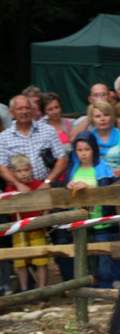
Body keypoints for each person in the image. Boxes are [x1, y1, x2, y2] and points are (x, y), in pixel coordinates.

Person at [66, 131, 118, 288]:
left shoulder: (102, 168)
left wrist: (88, 188)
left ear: (94, 149)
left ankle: (105, 286)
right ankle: (90, 287)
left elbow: (105, 192)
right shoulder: (74, 168)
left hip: (101, 221)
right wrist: (68, 186)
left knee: (104, 256)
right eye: (79, 150)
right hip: (81, 222)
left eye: (86, 149)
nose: (83, 154)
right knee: (87, 256)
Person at [0, 95, 67, 191]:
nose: (24, 111)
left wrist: (47, 182)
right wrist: (18, 184)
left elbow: (62, 159)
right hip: (18, 189)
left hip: (46, 186)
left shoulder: (48, 130)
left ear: (32, 110)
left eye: (27, 108)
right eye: (20, 109)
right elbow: (1, 166)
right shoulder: (3, 137)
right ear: (12, 113)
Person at [5, 154, 48, 291]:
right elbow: (8, 209)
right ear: (13, 172)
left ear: (31, 169)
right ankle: (24, 291)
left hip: (37, 228)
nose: (23, 174)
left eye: (25, 170)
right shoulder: (10, 189)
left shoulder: (38, 185)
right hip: (18, 229)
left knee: (41, 259)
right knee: (20, 262)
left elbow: (46, 205)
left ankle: (42, 290)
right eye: (19, 171)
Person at [88, 101, 120, 182]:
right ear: (92, 119)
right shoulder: (88, 138)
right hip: (93, 181)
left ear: (112, 117)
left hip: (118, 181)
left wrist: (119, 171)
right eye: (98, 116)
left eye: (106, 115)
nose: (102, 119)